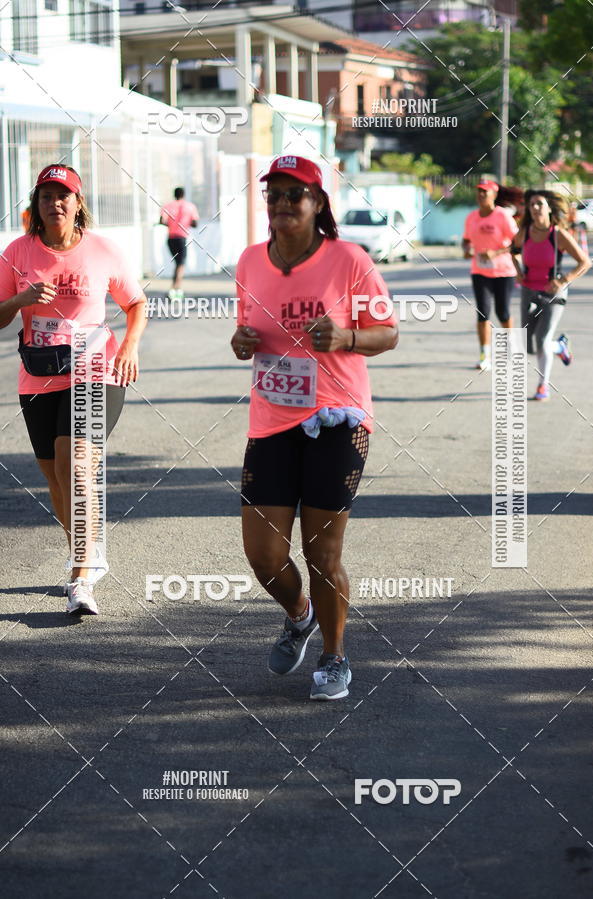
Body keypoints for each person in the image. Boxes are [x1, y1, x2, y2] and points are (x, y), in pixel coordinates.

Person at [231, 155, 398, 701]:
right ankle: (298, 614)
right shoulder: (251, 261)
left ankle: (334, 656)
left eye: (292, 195)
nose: (280, 205)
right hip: (271, 420)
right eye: (272, 194)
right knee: (264, 555)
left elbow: (388, 332)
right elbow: (245, 331)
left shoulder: (349, 260)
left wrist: (346, 338)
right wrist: (241, 343)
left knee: (322, 555)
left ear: (317, 203)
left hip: (337, 420)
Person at [0, 164, 147, 614]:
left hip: (95, 369)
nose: (55, 203)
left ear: (78, 203)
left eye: (64, 195)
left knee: (76, 464)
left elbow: (136, 301)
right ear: (36, 206)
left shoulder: (103, 250)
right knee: (56, 478)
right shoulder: (17, 252)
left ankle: (80, 577)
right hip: (38, 376)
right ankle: (86, 549)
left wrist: (129, 347)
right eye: (46, 196)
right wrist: (22, 300)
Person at [512, 189, 590, 401]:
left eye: (539, 204)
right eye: (532, 205)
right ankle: (560, 346)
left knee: (542, 338)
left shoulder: (558, 235)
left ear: (548, 209)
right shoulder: (525, 232)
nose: (535, 208)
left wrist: (563, 281)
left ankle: (542, 386)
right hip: (529, 290)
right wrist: (518, 273)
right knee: (530, 344)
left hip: (553, 294)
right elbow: (513, 251)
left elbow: (585, 262)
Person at [462, 180, 519, 371]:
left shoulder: (502, 216)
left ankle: (509, 347)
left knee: (503, 312)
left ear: (494, 195)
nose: (481, 195)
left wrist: (495, 253)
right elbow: (466, 240)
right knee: (483, 313)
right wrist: (467, 249)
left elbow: (516, 242)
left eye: (485, 192)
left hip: (504, 271)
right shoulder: (471, 217)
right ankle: (484, 354)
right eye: (479, 192)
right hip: (480, 271)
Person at [159, 187, 199, 299]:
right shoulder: (190, 206)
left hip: (171, 238)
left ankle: (176, 289)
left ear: (174, 195)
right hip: (182, 238)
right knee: (180, 264)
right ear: (183, 195)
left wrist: (172, 225)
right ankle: (174, 289)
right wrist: (185, 222)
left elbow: (161, 221)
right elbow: (195, 223)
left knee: (178, 263)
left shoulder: (167, 206)